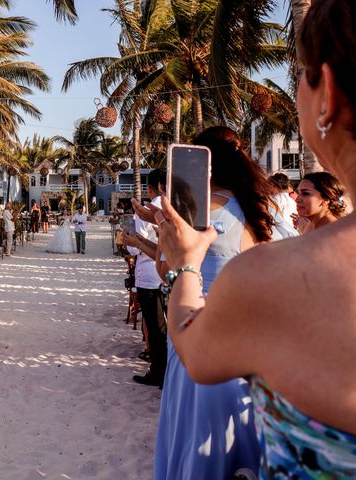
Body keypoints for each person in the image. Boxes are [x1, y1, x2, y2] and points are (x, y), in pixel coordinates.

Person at [155, 12, 356, 472]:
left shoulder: (272, 275)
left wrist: (186, 263)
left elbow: (195, 349)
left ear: (326, 93)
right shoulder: (268, 234)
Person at [151, 126, 280, 480]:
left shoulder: (190, 213)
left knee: (192, 449)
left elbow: (166, 270)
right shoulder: (260, 211)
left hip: (196, 335)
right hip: (248, 352)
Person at [121, 168, 166, 388]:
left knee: (155, 326)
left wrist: (130, 240)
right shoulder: (175, 206)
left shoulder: (149, 210)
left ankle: (157, 370)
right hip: (168, 273)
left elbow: (133, 251)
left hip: (149, 273)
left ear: (150, 188)